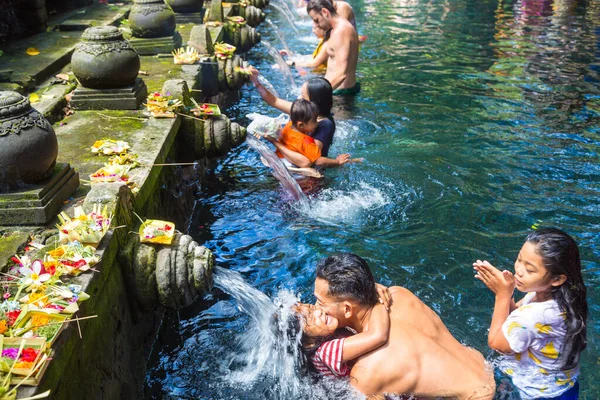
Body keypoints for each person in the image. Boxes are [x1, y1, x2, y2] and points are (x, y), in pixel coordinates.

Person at [314, 253, 495, 399]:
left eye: (320, 302)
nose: (315, 308)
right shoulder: (398, 294)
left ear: (347, 309)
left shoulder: (367, 374)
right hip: (484, 368)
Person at [473, 228, 588, 399]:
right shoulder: (561, 299)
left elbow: (497, 344)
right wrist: (507, 291)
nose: (519, 270)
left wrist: (502, 296)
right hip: (562, 385)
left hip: (536, 392)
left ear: (557, 279)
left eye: (530, 270)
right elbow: (515, 316)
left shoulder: (536, 316)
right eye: (519, 259)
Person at [249, 70, 341, 162]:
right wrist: (256, 82)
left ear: (313, 102)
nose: (299, 98)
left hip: (307, 169)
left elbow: (312, 157)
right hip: (290, 156)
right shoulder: (303, 111)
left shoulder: (325, 124)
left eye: (303, 95)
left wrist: (275, 142)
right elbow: (274, 101)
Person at [293, 298, 389, 378]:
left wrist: (370, 288)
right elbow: (378, 335)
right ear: (307, 343)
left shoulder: (325, 330)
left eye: (312, 307)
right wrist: (376, 300)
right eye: (312, 318)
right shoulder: (326, 352)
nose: (319, 311)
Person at [261, 99, 351, 168]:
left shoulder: (288, 126)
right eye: (314, 121)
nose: (317, 123)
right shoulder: (306, 141)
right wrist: (337, 162)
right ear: (301, 125)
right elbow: (319, 161)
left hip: (279, 161)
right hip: (294, 170)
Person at [306, 0, 359, 95]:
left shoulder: (341, 31)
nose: (316, 25)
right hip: (335, 90)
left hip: (341, 94)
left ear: (325, 12)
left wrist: (316, 95)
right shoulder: (337, 29)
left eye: (316, 20)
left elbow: (341, 74)